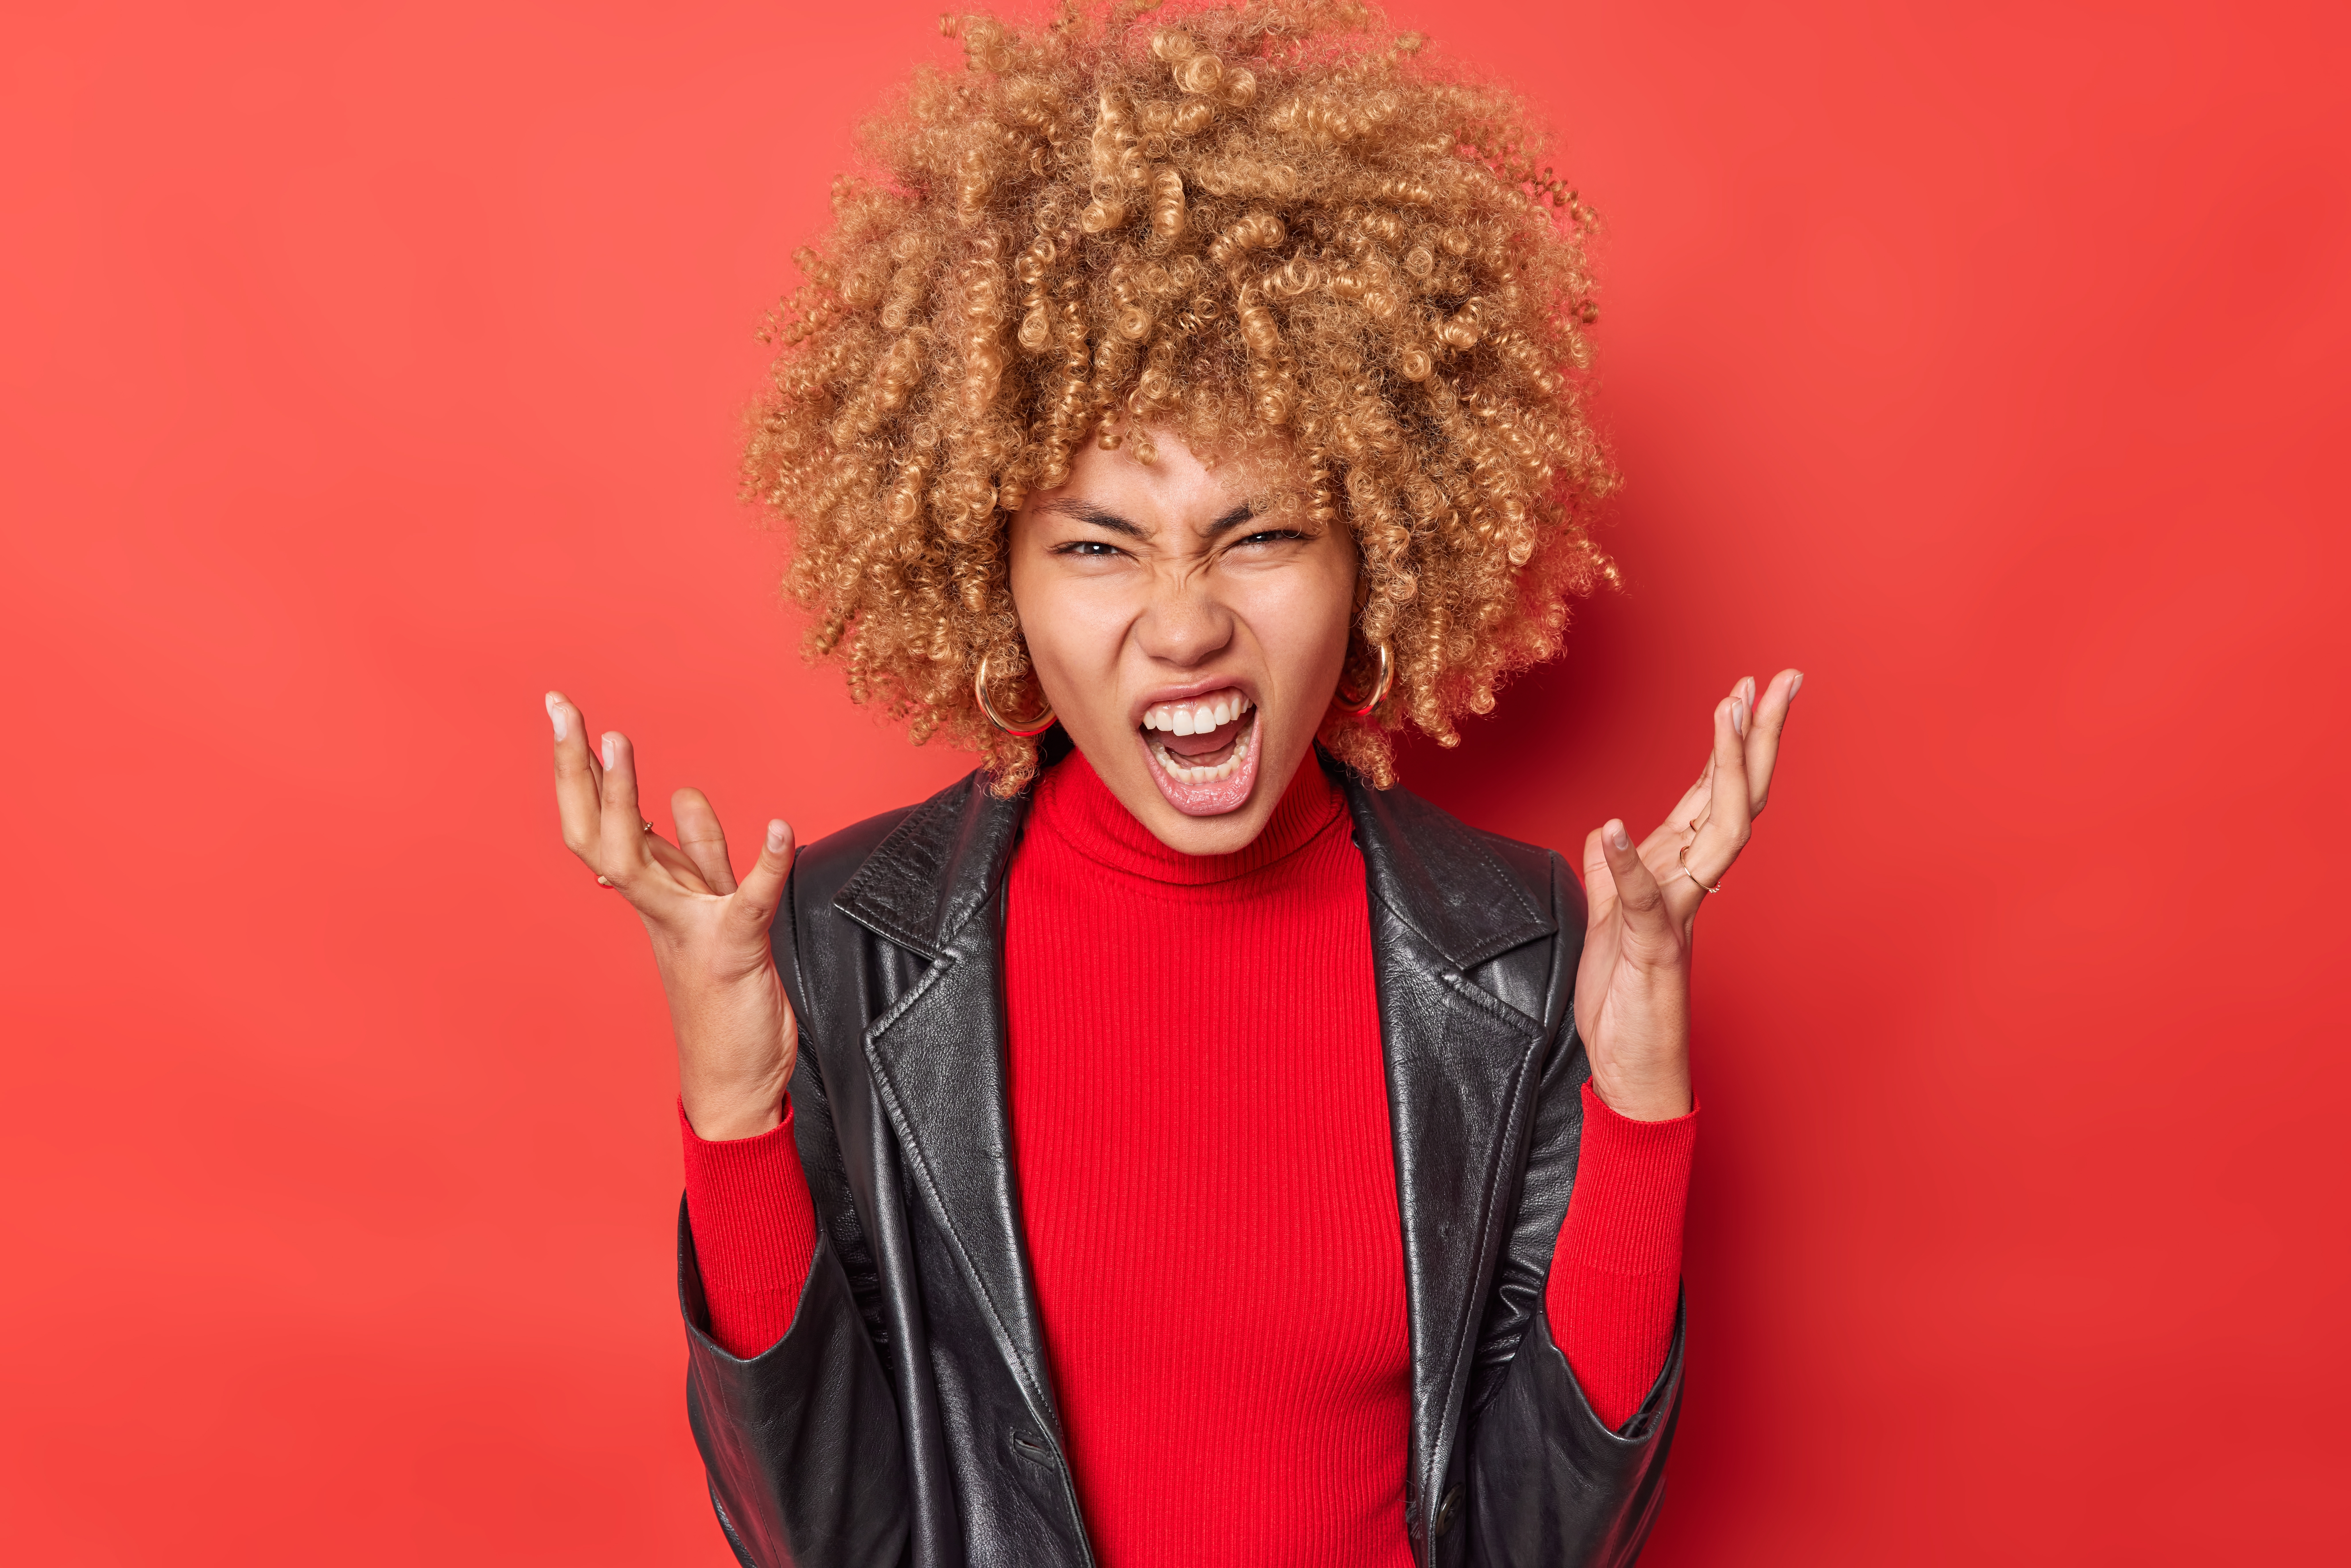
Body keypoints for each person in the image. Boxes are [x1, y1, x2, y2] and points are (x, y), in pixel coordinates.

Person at [545, 3, 1800, 1564]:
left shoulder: (1520, 951)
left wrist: (1640, 1104)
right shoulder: (849, 953)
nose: (1190, 618)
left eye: (1262, 532)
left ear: (1373, 552)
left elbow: (1549, 1536)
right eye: (1097, 545)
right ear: (989, 573)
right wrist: (735, 1107)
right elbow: (819, 1535)